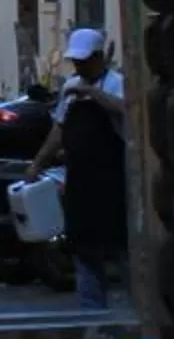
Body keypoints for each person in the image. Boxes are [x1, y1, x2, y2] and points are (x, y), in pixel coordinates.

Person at [30, 25, 128, 308]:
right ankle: (91, 312)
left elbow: (127, 110)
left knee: (119, 249)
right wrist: (38, 163)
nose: (80, 66)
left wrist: (92, 93)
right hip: (80, 181)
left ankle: (136, 309)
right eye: (77, 61)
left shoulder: (115, 83)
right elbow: (58, 131)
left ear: (100, 57)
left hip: (111, 180)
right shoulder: (70, 88)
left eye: (85, 60)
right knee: (84, 251)